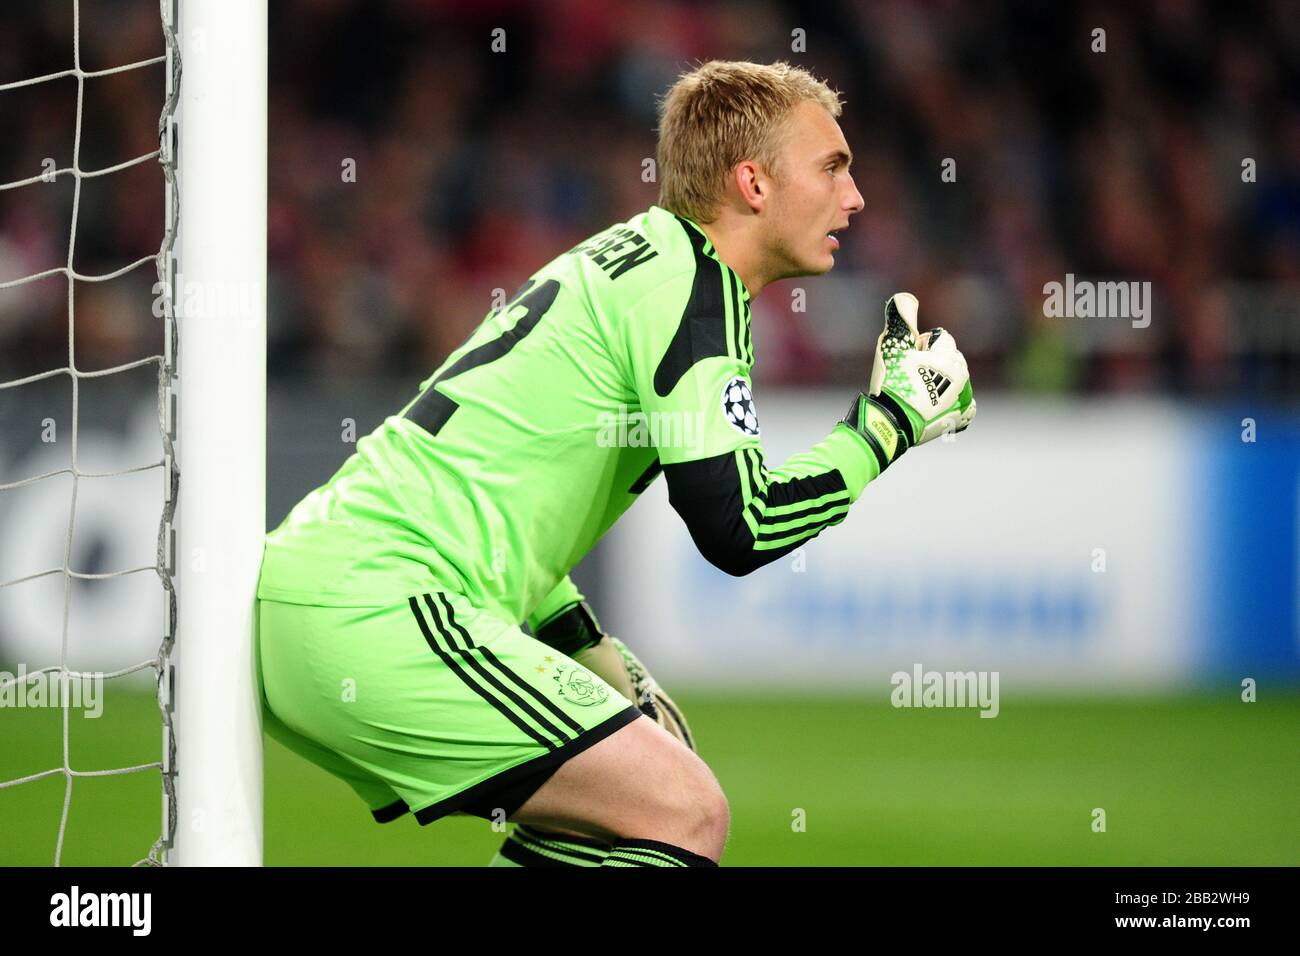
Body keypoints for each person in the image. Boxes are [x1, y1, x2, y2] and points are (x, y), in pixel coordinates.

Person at [255, 59, 975, 868]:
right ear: (754, 183)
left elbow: (498, 473)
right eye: (833, 167)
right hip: (379, 605)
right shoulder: (694, 290)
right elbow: (741, 524)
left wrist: (580, 639)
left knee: (595, 812)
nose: (856, 197)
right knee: (686, 811)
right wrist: (887, 426)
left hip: (335, 597)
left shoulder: (636, 260)